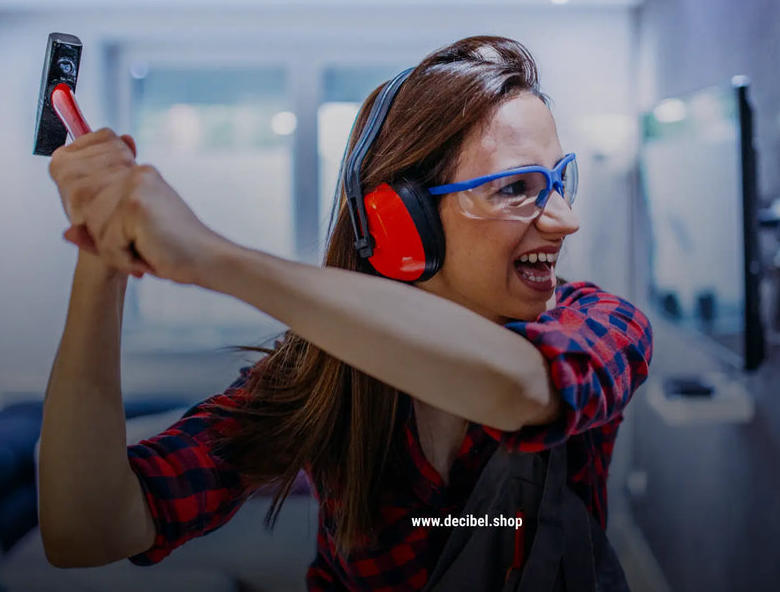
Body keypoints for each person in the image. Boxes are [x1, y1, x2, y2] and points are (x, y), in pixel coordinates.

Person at [38, 35, 653, 591]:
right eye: (516, 188)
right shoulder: (319, 375)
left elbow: (519, 387)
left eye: (558, 180)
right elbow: (88, 530)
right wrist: (106, 251)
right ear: (401, 223)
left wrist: (211, 257)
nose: (564, 220)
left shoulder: (601, 323)